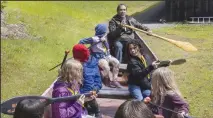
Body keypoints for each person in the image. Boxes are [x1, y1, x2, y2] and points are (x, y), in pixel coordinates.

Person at [79, 23, 122, 88]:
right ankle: (106, 80)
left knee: (117, 63)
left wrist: (105, 43)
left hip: (107, 55)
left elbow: (107, 47)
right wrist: (83, 50)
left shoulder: (105, 38)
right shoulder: (94, 39)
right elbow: (81, 41)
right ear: (102, 31)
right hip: (99, 57)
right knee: (106, 67)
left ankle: (114, 80)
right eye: (104, 31)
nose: (105, 33)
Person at [72, 44, 102, 118]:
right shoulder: (74, 66)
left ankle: (96, 111)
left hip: (90, 92)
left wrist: (96, 88)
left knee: (92, 106)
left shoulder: (92, 62)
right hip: (80, 95)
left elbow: (97, 79)